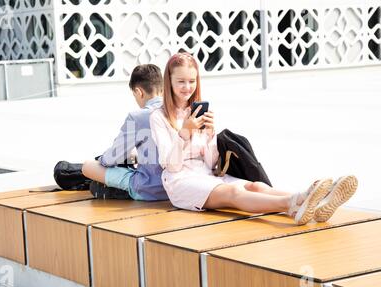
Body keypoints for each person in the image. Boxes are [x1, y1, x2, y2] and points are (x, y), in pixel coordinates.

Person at [149, 52, 358, 225]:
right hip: (180, 182)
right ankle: (293, 204)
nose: (187, 87)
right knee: (233, 191)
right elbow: (171, 165)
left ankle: (313, 200)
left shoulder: (198, 112)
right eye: (181, 82)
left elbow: (212, 163)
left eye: (192, 81)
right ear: (169, 82)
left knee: (255, 186)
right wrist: (185, 132)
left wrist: (211, 134)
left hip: (207, 175)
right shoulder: (158, 117)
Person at [81, 64, 168, 201]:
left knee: (87, 167)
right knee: (133, 155)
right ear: (163, 89)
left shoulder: (138, 117)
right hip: (173, 189)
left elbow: (112, 158)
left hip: (147, 189)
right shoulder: (177, 112)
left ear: (139, 92)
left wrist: (102, 159)